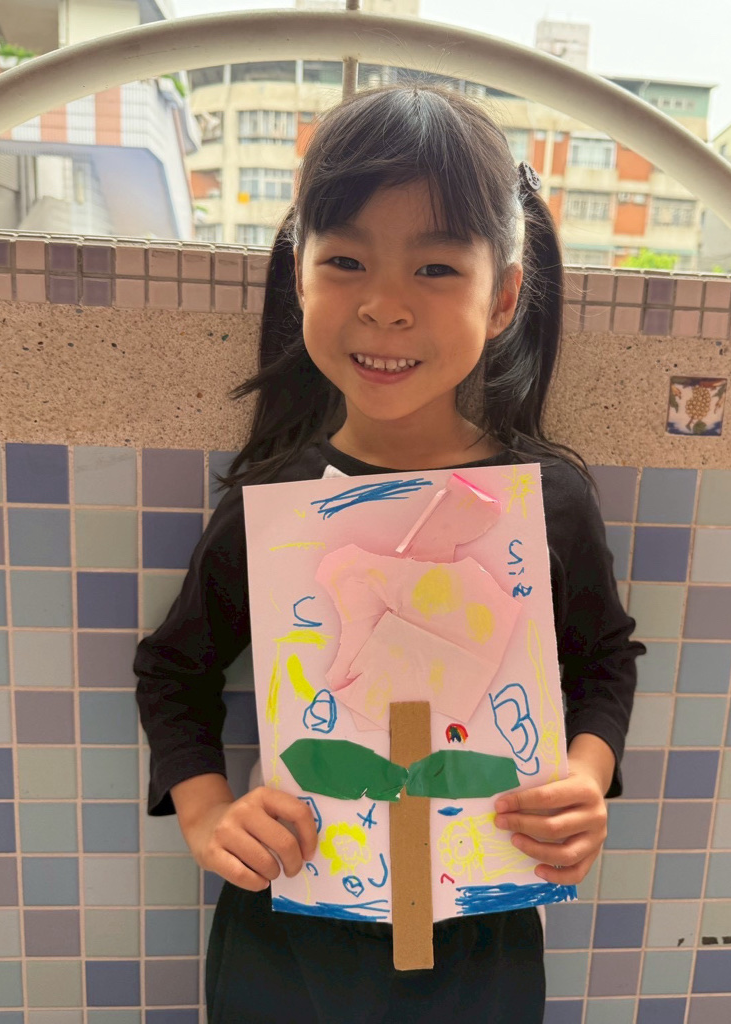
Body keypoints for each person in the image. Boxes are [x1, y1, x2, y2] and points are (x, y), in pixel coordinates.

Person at [134, 83, 646, 1024]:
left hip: (484, 937)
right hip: (287, 935)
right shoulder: (275, 505)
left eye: (436, 268)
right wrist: (208, 816)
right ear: (300, 280)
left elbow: (605, 658)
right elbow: (173, 668)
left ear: (504, 297)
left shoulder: (549, 505)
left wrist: (584, 773)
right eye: (346, 261)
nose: (385, 306)